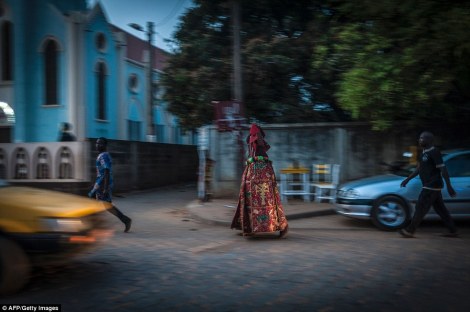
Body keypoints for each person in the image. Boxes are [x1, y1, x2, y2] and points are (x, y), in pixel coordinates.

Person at [231, 124, 289, 238]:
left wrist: (253, 159)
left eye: (256, 135)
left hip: (260, 175)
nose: (254, 138)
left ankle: (282, 226)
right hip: (253, 173)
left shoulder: (258, 143)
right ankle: (249, 227)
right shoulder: (252, 142)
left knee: (269, 201)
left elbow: (259, 154)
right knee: (250, 200)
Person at [399, 131, 458, 238]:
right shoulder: (424, 153)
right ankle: (453, 230)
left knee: (420, 207)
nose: (420, 140)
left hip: (432, 185)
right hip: (430, 185)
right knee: (441, 209)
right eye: (420, 138)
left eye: (422, 138)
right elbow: (419, 169)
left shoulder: (434, 152)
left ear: (429, 140)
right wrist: (407, 179)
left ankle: (409, 231)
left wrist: (449, 186)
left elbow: (443, 169)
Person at [89, 137, 132, 233]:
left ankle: (124, 220)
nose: (97, 145)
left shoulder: (103, 156)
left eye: (100, 143)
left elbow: (107, 171)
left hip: (103, 184)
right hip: (99, 184)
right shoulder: (101, 155)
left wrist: (105, 188)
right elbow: (101, 172)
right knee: (99, 203)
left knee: (104, 204)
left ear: (105, 145)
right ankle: (124, 220)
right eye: (96, 143)